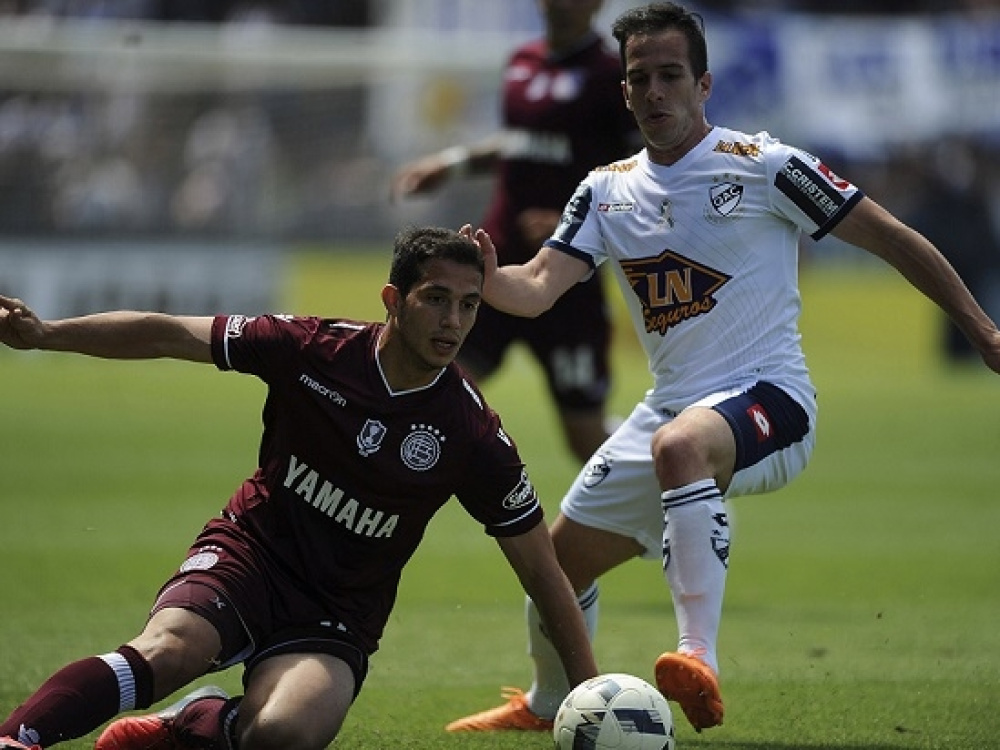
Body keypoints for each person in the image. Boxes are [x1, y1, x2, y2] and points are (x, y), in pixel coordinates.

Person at [445, 1, 1000, 735]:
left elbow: (895, 238)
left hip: (773, 399)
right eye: (639, 79)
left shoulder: (767, 166)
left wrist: (984, 332)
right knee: (554, 564)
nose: (654, 92)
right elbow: (540, 286)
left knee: (680, 446)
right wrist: (487, 277)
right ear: (624, 91)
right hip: (671, 408)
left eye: (670, 75)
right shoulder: (605, 190)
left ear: (703, 84)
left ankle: (697, 657)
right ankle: (548, 703)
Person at [0, 226, 598, 750]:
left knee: (285, 733)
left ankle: (200, 721)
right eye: (436, 299)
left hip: (338, 612)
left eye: (469, 305)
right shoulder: (313, 348)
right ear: (394, 300)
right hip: (250, 557)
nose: (453, 322)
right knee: (169, 649)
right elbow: (169, 334)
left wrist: (589, 695)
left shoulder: (473, 433)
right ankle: (19, 735)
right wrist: (45, 333)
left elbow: (542, 570)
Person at [391, 0, 640, 464]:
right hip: (493, 269)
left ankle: (675, 475)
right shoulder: (521, 62)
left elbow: (642, 172)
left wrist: (576, 221)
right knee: (435, 393)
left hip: (566, 283)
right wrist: (450, 164)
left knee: (584, 438)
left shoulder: (613, 76)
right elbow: (516, 143)